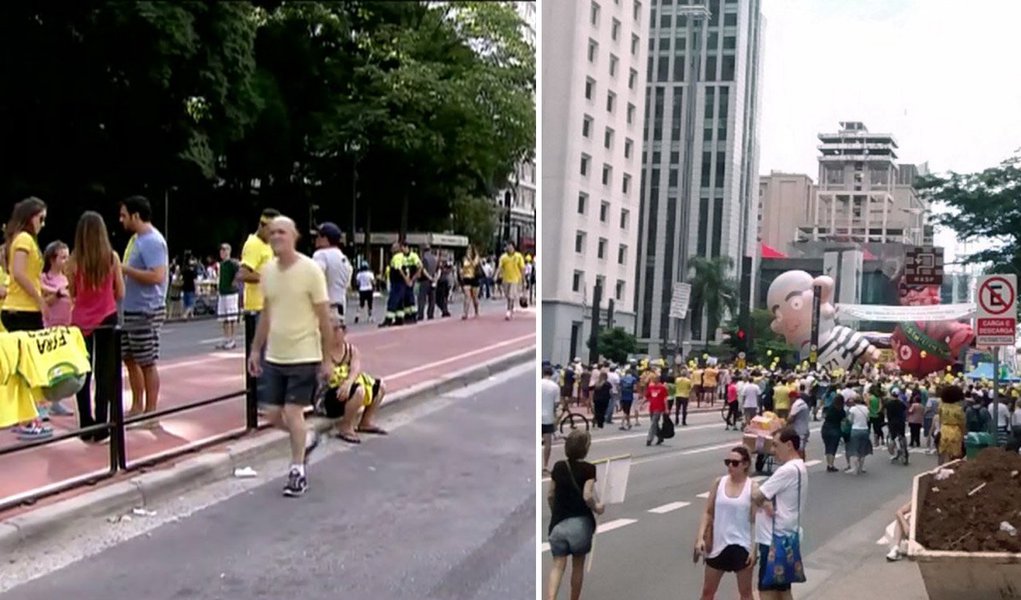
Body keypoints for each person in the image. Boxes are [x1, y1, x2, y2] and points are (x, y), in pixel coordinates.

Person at [247, 216, 333, 497]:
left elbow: (324, 318)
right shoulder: (269, 271)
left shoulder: (310, 271)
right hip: (275, 354)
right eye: (272, 233)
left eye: (282, 232)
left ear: (294, 236)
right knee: (272, 414)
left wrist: (327, 359)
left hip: (304, 352)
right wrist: (255, 349)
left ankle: (297, 471)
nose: (276, 237)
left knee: (293, 412)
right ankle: (306, 438)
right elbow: (267, 313)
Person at [69, 211, 124, 443]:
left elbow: (72, 292)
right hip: (107, 317)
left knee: (83, 372)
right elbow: (120, 291)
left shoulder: (74, 261)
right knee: (105, 372)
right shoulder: (111, 258)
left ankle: (85, 423)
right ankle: (103, 423)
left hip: (80, 320)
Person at [119, 196, 169, 424]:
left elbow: (158, 276)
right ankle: (137, 405)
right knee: (129, 358)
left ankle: (151, 411)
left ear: (136, 216)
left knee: (147, 361)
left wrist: (125, 270)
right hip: (131, 308)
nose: (121, 220)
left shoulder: (151, 241)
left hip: (146, 309)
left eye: (124, 215)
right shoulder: (137, 240)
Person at [751, 427, 808, 600]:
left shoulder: (787, 470)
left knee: (767, 590)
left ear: (789, 445)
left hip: (774, 541)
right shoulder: (799, 467)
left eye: (776, 445)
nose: (773, 451)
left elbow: (757, 495)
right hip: (787, 537)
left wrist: (755, 489)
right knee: (782, 590)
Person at [546, 430, 604, 600]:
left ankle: (550, 598)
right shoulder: (589, 469)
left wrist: (555, 512)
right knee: (577, 566)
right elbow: (587, 495)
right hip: (580, 525)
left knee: (557, 565)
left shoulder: (558, 466)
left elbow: (550, 495)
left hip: (558, 525)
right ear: (585, 449)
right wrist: (597, 507)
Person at [695, 446, 759, 600]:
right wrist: (700, 538)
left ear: (745, 464)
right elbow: (708, 512)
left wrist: (754, 549)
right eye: (728, 462)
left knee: (745, 593)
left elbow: (757, 521)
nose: (730, 466)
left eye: (735, 463)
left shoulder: (752, 487)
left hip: (741, 545)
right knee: (707, 592)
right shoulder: (719, 483)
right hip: (718, 545)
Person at [318, 319, 387, 444]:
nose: (331, 334)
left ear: (344, 332)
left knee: (380, 386)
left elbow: (356, 369)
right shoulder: (323, 352)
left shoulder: (351, 351)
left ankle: (366, 421)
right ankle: (346, 426)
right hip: (328, 397)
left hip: (346, 389)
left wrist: (348, 384)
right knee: (358, 391)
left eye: (335, 330)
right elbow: (326, 375)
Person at [238, 208, 281, 341]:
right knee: (258, 354)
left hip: (268, 306)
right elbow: (243, 274)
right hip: (256, 308)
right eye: (272, 231)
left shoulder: (267, 245)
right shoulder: (253, 245)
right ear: (262, 226)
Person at [312, 222, 353, 324]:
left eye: (318, 236)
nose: (316, 239)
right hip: (340, 305)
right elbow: (347, 282)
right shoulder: (343, 258)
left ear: (325, 239)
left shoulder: (321, 255)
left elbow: (315, 276)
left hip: (325, 307)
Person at [216, 243, 241, 349]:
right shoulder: (221, 264)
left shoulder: (233, 263)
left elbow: (240, 271)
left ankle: (232, 339)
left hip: (231, 293)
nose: (223, 252)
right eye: (221, 250)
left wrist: (235, 281)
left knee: (232, 317)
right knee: (224, 317)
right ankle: (226, 338)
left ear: (229, 251)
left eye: (225, 250)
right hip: (223, 292)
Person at [938, 384, 966, 465]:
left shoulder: (941, 406)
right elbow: (962, 424)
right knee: (955, 455)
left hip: (944, 429)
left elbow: (940, 418)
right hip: (956, 431)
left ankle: (939, 469)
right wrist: (963, 435)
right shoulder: (959, 409)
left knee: (942, 453)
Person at [497, 241, 525, 321]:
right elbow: (500, 267)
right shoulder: (503, 257)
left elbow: (522, 268)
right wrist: (496, 275)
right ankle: (511, 308)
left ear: (514, 247)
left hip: (515, 279)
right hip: (506, 279)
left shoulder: (518, 256)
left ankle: (508, 311)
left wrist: (523, 279)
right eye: (508, 247)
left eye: (511, 247)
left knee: (511, 295)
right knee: (508, 296)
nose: (509, 248)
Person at [847, 395, 873, 475]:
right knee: (862, 450)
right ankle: (861, 468)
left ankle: (855, 469)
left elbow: (850, 420)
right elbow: (868, 419)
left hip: (855, 429)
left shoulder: (852, 409)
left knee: (855, 449)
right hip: (864, 429)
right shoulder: (866, 409)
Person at [541, 365, 559, 474]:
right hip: (548, 417)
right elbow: (556, 404)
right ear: (551, 374)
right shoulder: (555, 387)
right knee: (548, 442)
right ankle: (545, 465)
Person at [820, 395, 846, 472]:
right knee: (833, 447)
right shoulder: (841, 410)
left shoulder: (830, 408)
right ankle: (831, 465)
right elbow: (844, 420)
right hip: (835, 428)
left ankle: (828, 464)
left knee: (827, 446)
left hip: (825, 428)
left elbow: (825, 416)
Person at [644, 374, 669, 446]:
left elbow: (665, 399)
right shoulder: (651, 388)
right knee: (655, 424)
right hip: (652, 407)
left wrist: (666, 408)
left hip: (659, 408)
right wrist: (642, 403)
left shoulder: (662, 388)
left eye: (655, 379)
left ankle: (649, 439)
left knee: (653, 423)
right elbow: (647, 396)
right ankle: (660, 436)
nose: (653, 380)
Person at [415, 244, 439, 321]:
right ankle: (430, 314)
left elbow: (423, 270)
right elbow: (438, 270)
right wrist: (435, 279)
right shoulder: (435, 258)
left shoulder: (424, 259)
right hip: (433, 281)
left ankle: (420, 314)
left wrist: (429, 278)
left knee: (422, 298)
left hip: (425, 280)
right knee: (432, 299)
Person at [884, 389, 908, 463]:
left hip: (892, 422)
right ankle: (905, 449)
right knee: (902, 435)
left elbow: (885, 412)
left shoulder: (888, 403)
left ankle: (893, 452)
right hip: (901, 422)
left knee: (892, 437)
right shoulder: (901, 403)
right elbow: (905, 409)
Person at [459, 245, 481, 320]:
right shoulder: (464, 258)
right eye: (467, 250)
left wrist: (470, 259)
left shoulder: (476, 257)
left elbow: (474, 265)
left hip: (474, 277)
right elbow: (462, 268)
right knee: (467, 296)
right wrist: (461, 274)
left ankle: (476, 311)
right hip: (466, 278)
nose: (468, 252)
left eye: (470, 250)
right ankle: (465, 313)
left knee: (475, 297)